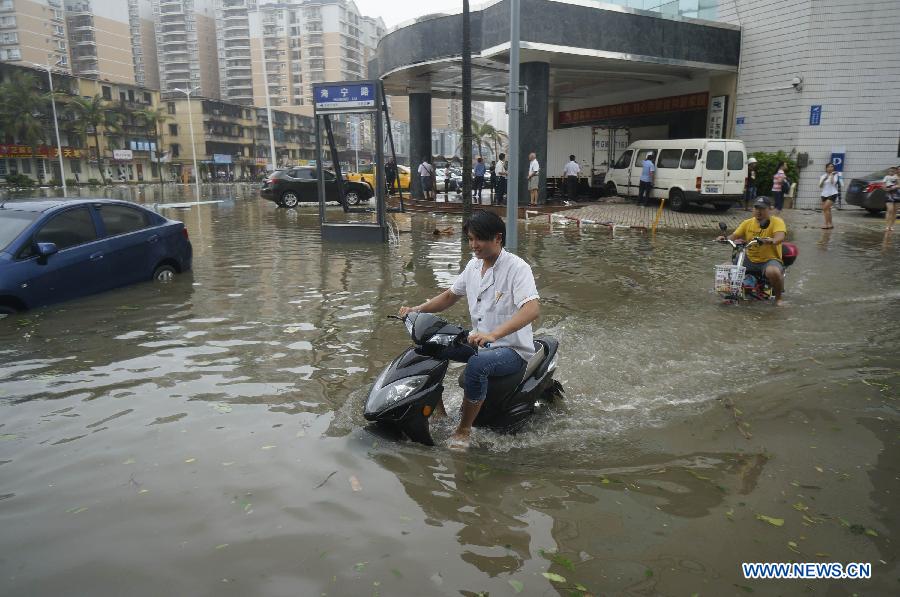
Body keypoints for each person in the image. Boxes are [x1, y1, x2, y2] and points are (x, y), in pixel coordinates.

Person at [398, 211, 540, 449]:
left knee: (477, 366)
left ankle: (464, 430)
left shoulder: (517, 268)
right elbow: (450, 296)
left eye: (479, 239)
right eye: (471, 239)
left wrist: (494, 335)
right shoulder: (473, 266)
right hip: (478, 340)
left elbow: (532, 309)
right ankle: (438, 412)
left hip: (511, 349)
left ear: (497, 238)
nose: (474, 245)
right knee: (428, 347)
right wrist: (416, 310)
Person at [717, 196, 788, 307]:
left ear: (770, 209)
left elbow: (780, 237)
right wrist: (724, 239)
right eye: (756, 208)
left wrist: (771, 240)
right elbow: (734, 236)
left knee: (772, 272)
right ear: (753, 209)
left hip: (769, 260)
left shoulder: (777, 222)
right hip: (749, 258)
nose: (759, 211)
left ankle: (779, 299)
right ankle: (727, 295)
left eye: (762, 208)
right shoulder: (747, 223)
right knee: (725, 267)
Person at [818, 162, 841, 229]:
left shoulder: (835, 175)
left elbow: (833, 183)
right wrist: (824, 180)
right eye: (829, 167)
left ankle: (825, 224)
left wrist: (831, 175)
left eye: (832, 167)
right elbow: (820, 186)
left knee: (825, 208)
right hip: (824, 194)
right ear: (826, 168)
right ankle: (830, 224)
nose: (830, 168)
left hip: (833, 193)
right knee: (828, 209)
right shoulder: (823, 176)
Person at [883, 166, 899, 232]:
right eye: (890, 171)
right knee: (890, 210)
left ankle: (891, 226)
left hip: (897, 195)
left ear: (895, 171)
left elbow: (898, 184)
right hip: (889, 194)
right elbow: (883, 185)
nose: (891, 172)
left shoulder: (896, 177)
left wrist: (894, 187)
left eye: (893, 171)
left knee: (895, 211)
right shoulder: (886, 177)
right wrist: (886, 188)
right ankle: (887, 226)